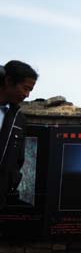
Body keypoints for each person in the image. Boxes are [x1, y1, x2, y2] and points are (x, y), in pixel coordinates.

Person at [0, 60, 39, 209]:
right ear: (9, 81)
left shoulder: (18, 118)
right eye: (25, 88)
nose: (27, 95)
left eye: (30, 90)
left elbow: (18, 159)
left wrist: (12, 182)